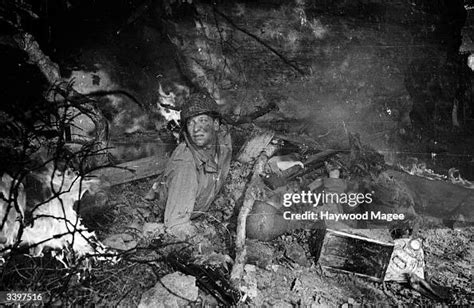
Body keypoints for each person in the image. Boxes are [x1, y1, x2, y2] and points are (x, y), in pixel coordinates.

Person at [145, 92, 232, 236]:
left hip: (199, 208)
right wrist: (207, 234)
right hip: (166, 217)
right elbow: (176, 227)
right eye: (191, 122)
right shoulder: (185, 165)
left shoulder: (223, 142)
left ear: (216, 124)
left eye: (203, 120)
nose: (196, 129)